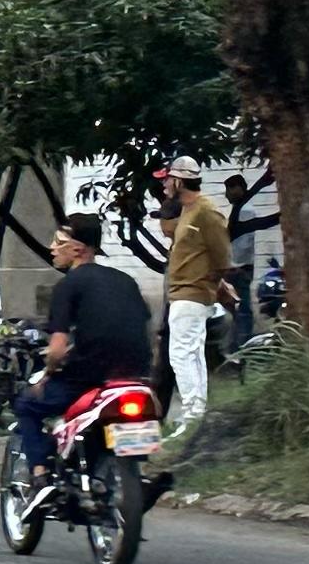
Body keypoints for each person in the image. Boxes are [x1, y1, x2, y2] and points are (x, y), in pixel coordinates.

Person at [15, 213, 152, 481]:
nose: (52, 248)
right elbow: (142, 328)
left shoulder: (68, 285)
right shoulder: (126, 280)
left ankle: (40, 473)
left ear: (77, 249)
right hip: (135, 376)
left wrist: (46, 375)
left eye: (58, 242)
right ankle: (136, 473)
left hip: (88, 378)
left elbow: (56, 349)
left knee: (27, 405)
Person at [157, 160, 230, 435]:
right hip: (184, 293)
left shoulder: (206, 211)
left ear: (179, 181)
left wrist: (214, 284)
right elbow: (171, 233)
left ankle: (192, 414)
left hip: (192, 292)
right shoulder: (188, 211)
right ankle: (196, 414)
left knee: (182, 355)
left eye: (167, 180)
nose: (164, 185)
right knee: (191, 354)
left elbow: (221, 256)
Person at [224, 172, 277, 334]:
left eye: (229, 189)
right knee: (239, 307)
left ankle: (243, 339)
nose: (226, 194)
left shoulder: (245, 210)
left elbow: (245, 243)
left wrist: (235, 265)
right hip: (240, 266)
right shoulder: (240, 209)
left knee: (242, 307)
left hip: (239, 267)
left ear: (239, 189)